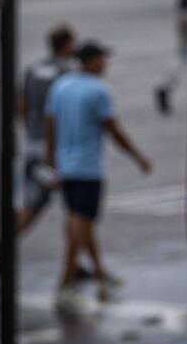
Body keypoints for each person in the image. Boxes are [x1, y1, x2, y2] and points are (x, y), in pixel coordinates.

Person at [45, 42, 153, 310]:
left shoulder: (61, 85)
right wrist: (138, 156)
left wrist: (52, 160)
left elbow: (50, 124)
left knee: (83, 225)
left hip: (66, 165)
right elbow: (112, 128)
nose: (106, 65)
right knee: (78, 229)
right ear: (91, 61)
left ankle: (101, 274)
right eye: (103, 59)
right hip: (88, 168)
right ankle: (65, 286)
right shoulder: (98, 90)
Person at [17, 25, 78, 235]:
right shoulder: (68, 72)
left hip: (34, 142)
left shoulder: (33, 69)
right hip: (57, 147)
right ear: (68, 44)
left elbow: (22, 106)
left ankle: (84, 261)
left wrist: (31, 131)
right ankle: (4, 248)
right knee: (76, 206)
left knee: (33, 200)